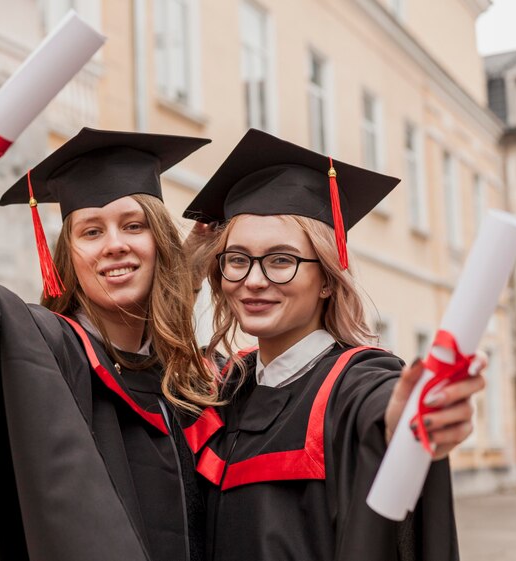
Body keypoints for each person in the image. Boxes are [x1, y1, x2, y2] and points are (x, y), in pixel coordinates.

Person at [0, 128, 222, 561]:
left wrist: (188, 280)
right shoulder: (56, 349)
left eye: (133, 225)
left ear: (161, 242)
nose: (114, 245)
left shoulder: (189, 377)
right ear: (67, 255)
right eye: (91, 232)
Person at [182, 129, 486, 561]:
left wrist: (405, 422)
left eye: (281, 260)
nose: (253, 279)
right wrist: (186, 273)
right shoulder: (226, 389)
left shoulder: (356, 382)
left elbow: (382, 409)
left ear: (326, 278)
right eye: (237, 259)